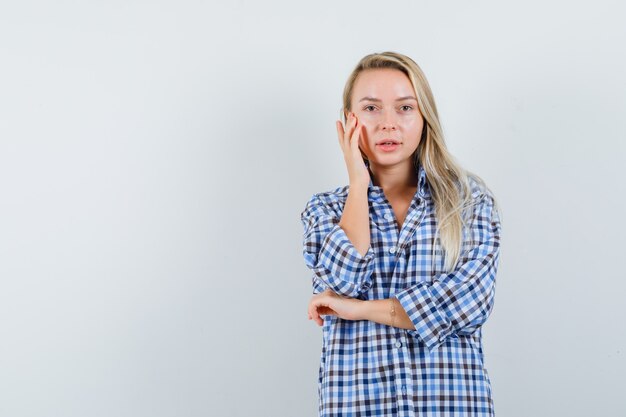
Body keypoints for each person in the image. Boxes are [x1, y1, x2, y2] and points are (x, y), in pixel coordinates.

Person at [300, 51, 502, 416]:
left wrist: (360, 310)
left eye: (405, 108)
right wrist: (358, 183)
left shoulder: (468, 202)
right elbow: (343, 282)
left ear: (424, 116)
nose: (388, 124)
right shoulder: (325, 210)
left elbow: (469, 301)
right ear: (349, 121)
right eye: (372, 109)